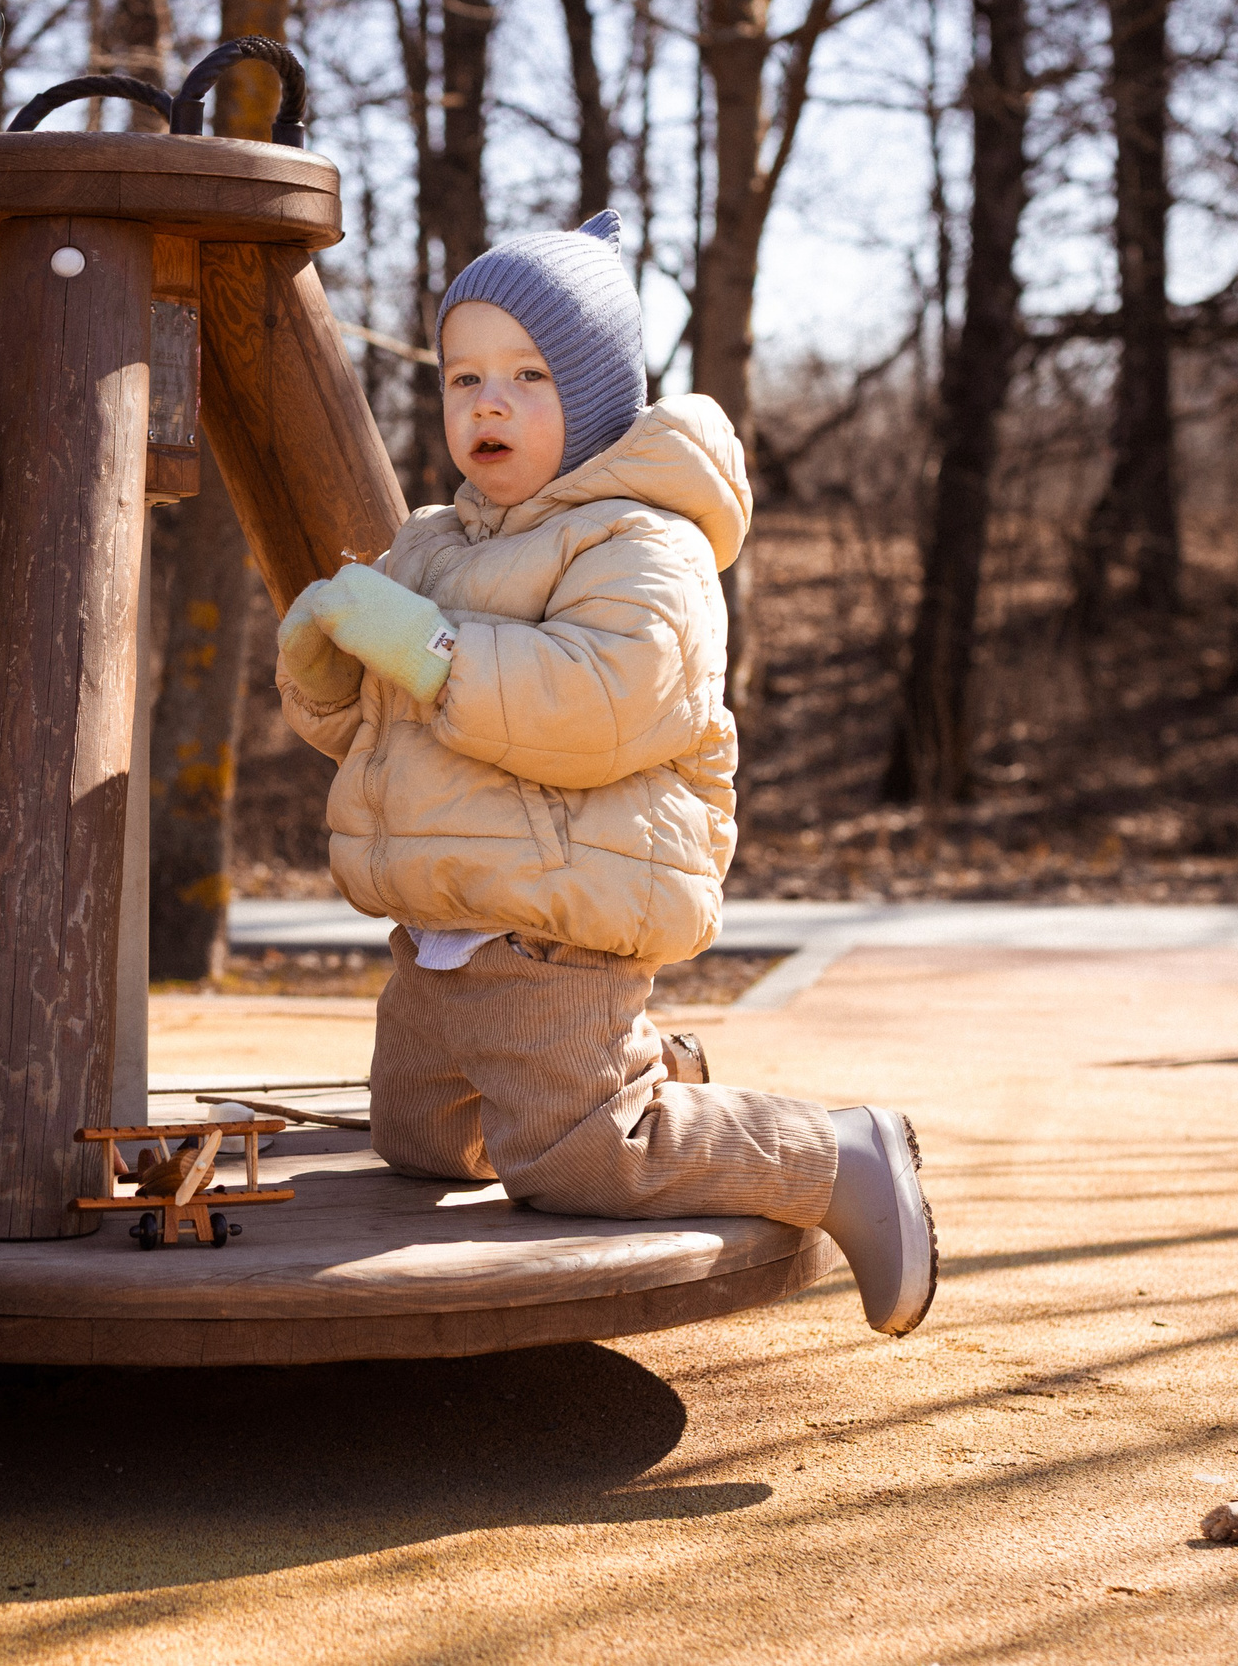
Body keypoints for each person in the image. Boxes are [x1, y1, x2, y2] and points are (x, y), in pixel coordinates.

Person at [275, 212, 937, 1336]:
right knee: (416, 1142)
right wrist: (325, 676)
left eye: (529, 376)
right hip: (439, 942)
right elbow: (386, 734)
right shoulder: (436, 542)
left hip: (554, 925)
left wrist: (424, 648)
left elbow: (593, 707)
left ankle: (839, 1158)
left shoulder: (643, 544)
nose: (487, 402)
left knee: (576, 1159)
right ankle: (654, 1067)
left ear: (596, 394)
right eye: (464, 376)